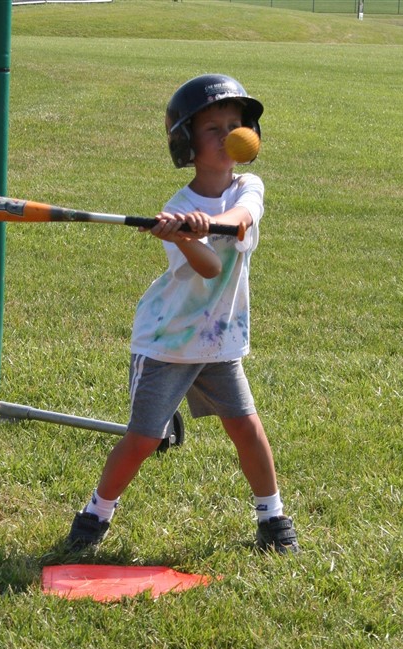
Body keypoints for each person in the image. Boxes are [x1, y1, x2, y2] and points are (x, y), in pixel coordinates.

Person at [67, 74, 299, 554]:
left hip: (217, 342)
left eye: (235, 125)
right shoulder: (177, 208)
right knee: (143, 439)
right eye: (213, 128)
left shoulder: (248, 186)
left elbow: (240, 221)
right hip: (169, 342)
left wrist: (203, 225)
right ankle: (95, 514)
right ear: (187, 144)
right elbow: (209, 268)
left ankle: (273, 518)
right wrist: (185, 236)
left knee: (246, 427)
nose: (228, 135)